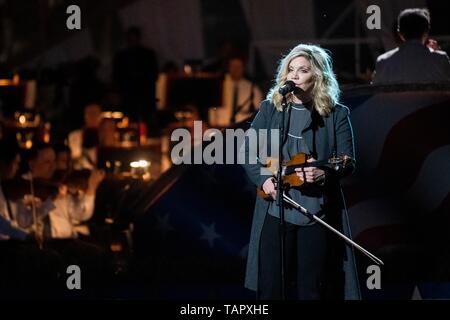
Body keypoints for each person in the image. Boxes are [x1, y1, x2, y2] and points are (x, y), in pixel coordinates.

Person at [240, 44, 360, 300]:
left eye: (303, 70)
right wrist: (264, 179)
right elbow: (247, 150)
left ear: (317, 76)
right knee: (272, 286)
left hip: (315, 209)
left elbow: (348, 162)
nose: (294, 76)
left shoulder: (336, 114)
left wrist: (324, 173)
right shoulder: (271, 109)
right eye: (290, 70)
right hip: (276, 208)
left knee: (312, 287)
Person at [372, 8, 450, 84]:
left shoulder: (384, 61)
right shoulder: (441, 59)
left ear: (400, 34)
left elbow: (376, 89)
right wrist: (435, 54)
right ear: (426, 32)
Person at [113, 26, 158, 134]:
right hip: (129, 96)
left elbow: (153, 75)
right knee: (131, 122)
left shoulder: (148, 55)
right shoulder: (121, 56)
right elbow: (117, 76)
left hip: (144, 96)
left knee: (146, 122)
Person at [221, 56, 263, 125]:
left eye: (238, 67)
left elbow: (258, 114)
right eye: (233, 66)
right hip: (221, 127)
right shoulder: (221, 84)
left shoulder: (253, 89)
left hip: (242, 129)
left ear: (243, 68)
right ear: (228, 68)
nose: (236, 70)